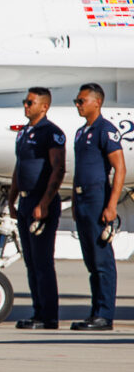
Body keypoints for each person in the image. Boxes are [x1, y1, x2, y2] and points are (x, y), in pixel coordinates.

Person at [7, 87, 65, 330]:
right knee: (30, 262)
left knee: (42, 262)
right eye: (25, 101)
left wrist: (44, 203)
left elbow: (58, 169)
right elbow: (19, 168)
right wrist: (11, 200)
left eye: (30, 102)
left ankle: (49, 316)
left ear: (44, 106)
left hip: (42, 203)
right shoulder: (24, 133)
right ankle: (37, 312)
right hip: (25, 202)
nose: (26, 106)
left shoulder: (50, 133)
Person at [70, 83, 126, 331]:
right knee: (91, 261)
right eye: (77, 101)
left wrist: (111, 204)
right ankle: (96, 313)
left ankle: (105, 315)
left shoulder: (106, 130)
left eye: (82, 101)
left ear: (97, 102)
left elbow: (120, 168)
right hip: (82, 200)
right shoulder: (81, 132)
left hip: (97, 200)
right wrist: (73, 201)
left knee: (102, 260)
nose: (78, 105)